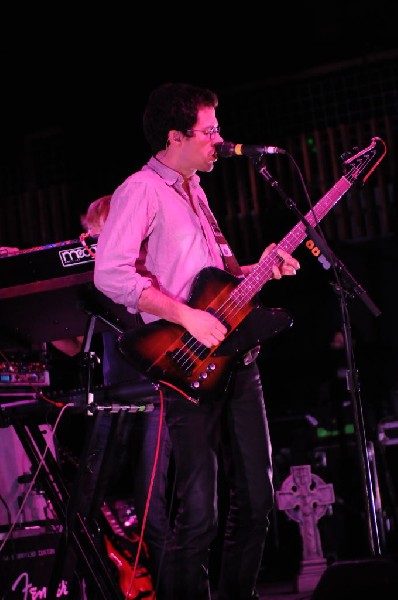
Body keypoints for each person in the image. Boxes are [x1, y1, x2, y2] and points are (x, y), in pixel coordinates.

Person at [94, 82, 300, 600]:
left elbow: (215, 279)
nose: (218, 140)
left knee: (256, 501)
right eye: (209, 131)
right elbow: (111, 275)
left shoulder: (195, 189)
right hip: (187, 361)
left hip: (235, 355)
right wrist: (185, 317)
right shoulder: (140, 189)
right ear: (175, 136)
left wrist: (260, 270)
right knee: (199, 513)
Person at [53, 195, 173, 597]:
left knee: (152, 509)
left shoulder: (149, 275)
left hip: (156, 396)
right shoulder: (99, 283)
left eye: (99, 237)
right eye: (89, 238)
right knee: (90, 500)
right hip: (113, 396)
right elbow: (74, 346)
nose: (91, 246)